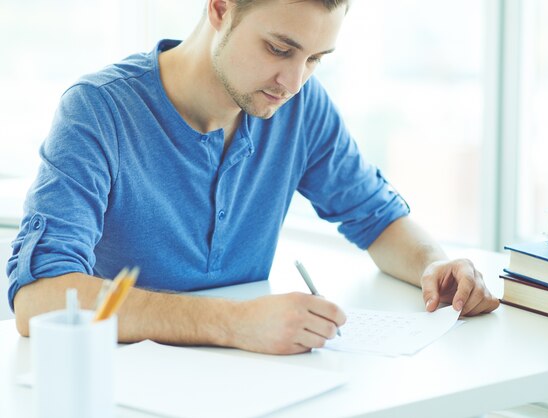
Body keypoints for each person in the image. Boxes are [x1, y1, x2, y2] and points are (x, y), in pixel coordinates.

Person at [7, 0, 499, 354]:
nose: (293, 81)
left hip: (254, 388)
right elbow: (41, 300)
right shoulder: (98, 110)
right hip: (116, 387)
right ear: (220, 8)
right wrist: (234, 324)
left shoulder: (301, 106)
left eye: (315, 60)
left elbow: (376, 218)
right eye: (279, 49)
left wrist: (435, 264)